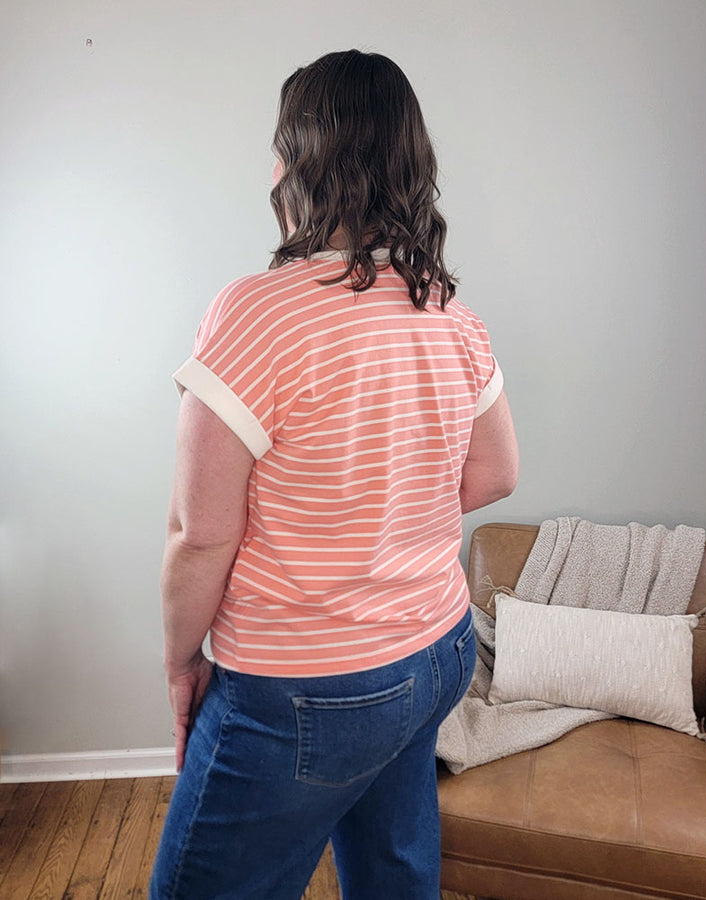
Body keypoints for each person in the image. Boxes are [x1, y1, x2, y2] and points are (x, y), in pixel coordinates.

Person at [150, 48, 518, 900]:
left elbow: (200, 534)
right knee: (395, 880)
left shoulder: (255, 310)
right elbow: (497, 472)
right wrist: (389, 515)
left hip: (306, 688)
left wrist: (179, 661)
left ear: (298, 162)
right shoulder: (448, 310)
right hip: (437, 652)